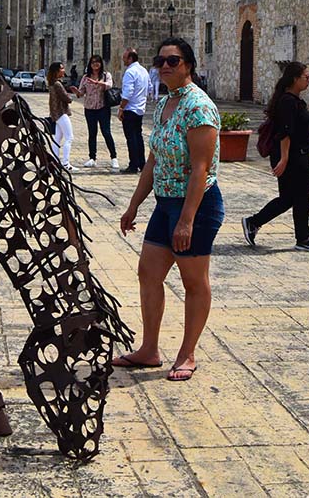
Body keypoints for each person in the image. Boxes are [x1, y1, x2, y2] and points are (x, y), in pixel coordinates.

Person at [116, 37, 222, 382]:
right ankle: (149, 349)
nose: (164, 66)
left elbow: (200, 169)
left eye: (173, 61)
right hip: (165, 202)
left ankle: (187, 353)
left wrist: (187, 220)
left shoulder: (198, 107)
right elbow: (153, 159)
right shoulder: (164, 104)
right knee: (148, 272)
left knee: (194, 281)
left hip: (196, 205)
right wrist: (134, 205)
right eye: (160, 61)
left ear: (188, 65)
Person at [242, 62, 309, 251]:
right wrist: (284, 159)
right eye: (306, 76)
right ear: (295, 79)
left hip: (295, 156)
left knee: (289, 198)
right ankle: (303, 239)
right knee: (300, 197)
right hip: (293, 157)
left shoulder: (292, 100)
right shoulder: (288, 101)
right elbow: (285, 132)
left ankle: (254, 223)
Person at [75, 54, 120, 170]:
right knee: (92, 133)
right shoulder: (85, 77)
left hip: (103, 107)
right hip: (89, 108)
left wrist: (99, 83)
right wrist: (77, 92)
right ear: (90, 64)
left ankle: (114, 157)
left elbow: (110, 85)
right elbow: (81, 92)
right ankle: (92, 158)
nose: (95, 64)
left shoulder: (106, 75)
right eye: (93, 62)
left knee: (106, 132)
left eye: (97, 62)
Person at [117, 48, 149, 174]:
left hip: (130, 109)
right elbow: (149, 87)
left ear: (130, 58)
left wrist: (121, 108)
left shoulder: (130, 72)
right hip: (140, 108)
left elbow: (128, 93)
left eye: (125, 57)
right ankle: (142, 163)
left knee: (131, 138)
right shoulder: (144, 71)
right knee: (138, 136)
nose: (123, 60)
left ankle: (133, 164)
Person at [47, 61, 75, 169]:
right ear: (56, 71)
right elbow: (67, 99)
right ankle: (65, 163)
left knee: (57, 138)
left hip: (55, 114)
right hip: (61, 113)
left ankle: (54, 161)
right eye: (62, 68)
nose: (63, 70)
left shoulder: (53, 83)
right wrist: (70, 95)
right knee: (69, 137)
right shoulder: (58, 84)